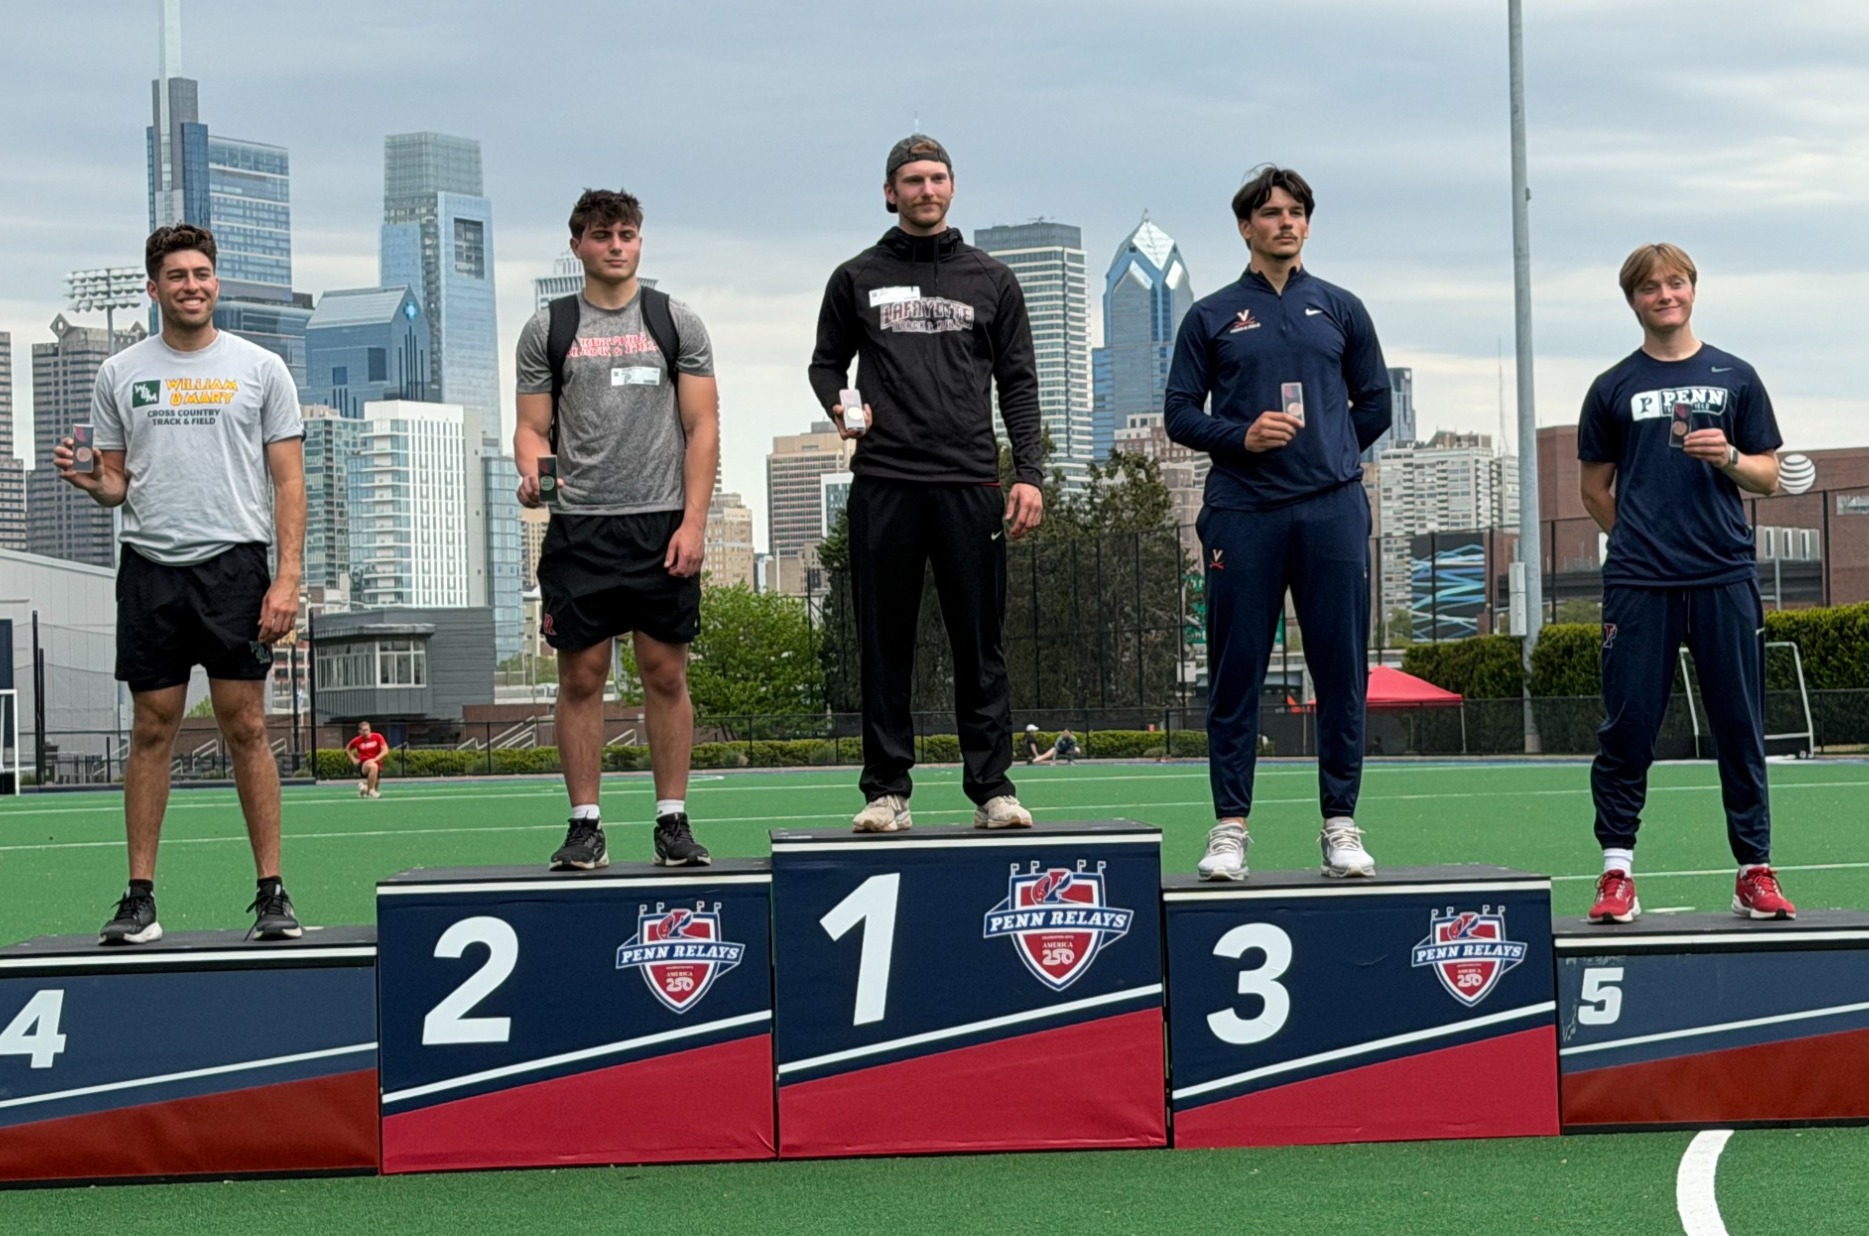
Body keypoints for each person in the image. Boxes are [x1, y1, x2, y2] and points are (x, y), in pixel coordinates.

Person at [55, 224, 306, 944]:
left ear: (215, 282)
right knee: (152, 729)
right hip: (150, 570)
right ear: (153, 287)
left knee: (247, 727)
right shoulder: (120, 372)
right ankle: (139, 900)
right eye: (177, 276)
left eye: (202, 273)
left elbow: (288, 483)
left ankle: (272, 894)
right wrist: (90, 480)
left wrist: (286, 578)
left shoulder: (261, 368)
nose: (191, 285)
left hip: (234, 568)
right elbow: (116, 483)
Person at [809, 134, 1045, 834]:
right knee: (884, 645)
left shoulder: (991, 279)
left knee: (980, 644)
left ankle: (992, 788)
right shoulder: (855, 277)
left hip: (971, 483)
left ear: (952, 187)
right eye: (911, 179)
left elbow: (1019, 385)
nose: (925, 189)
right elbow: (825, 364)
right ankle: (886, 791)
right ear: (890, 192)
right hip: (884, 482)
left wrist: (1028, 474)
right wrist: (841, 404)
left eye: (936, 177)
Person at [1164, 166, 1391, 881]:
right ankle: (1229, 828)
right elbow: (1179, 415)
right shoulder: (1211, 315)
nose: (1283, 223)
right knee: (1235, 673)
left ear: (1306, 224)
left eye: (1295, 212)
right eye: (1269, 213)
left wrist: (1327, 451)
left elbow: (1376, 404)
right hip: (1242, 514)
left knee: (1340, 671)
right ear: (1244, 227)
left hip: (1331, 511)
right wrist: (1239, 436)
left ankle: (1339, 825)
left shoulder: (1341, 308)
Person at [1580, 243, 1793, 923]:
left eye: (1674, 283)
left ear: (1692, 291)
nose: (1663, 295)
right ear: (1633, 300)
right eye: (1649, 288)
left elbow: (1768, 473)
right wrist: (1641, 537)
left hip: (1723, 575)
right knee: (1628, 728)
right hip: (1640, 583)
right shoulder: (1611, 386)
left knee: (1739, 726)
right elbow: (1592, 489)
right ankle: (1616, 873)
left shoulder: (1735, 375)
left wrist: (1728, 456)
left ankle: (1752, 869)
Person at [515, 189, 718, 870]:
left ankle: (672, 821)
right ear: (576, 245)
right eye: (601, 235)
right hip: (581, 529)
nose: (615, 245)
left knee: (664, 673)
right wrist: (531, 469)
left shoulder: (674, 320)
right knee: (582, 677)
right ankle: (584, 826)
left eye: (626, 234)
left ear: (639, 241)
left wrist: (693, 524)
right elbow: (531, 426)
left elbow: (703, 426)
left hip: (660, 524)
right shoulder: (548, 327)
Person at [347, 720, 388, 799]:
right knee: (373, 766)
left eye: (367, 729)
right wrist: (354, 760)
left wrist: (375, 759)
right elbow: (348, 749)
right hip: (364, 764)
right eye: (363, 730)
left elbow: (385, 750)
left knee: (371, 787)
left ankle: (363, 788)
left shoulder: (377, 737)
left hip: (376, 763)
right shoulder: (357, 740)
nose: (366, 732)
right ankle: (372, 791)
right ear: (360, 731)